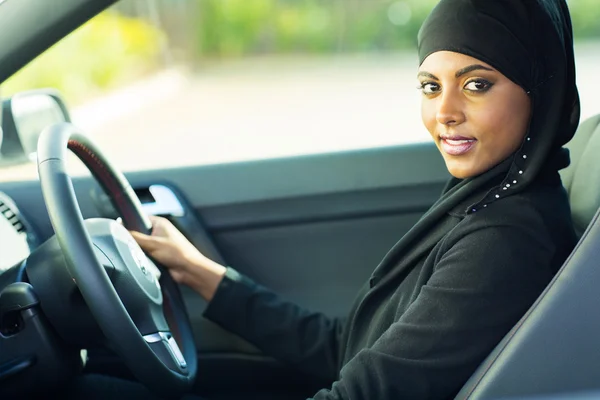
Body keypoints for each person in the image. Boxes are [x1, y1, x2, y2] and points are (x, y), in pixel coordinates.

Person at [64, 0, 581, 398]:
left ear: (540, 89)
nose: (444, 111)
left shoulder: (506, 237)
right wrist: (199, 271)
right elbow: (345, 348)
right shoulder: (485, 195)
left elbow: (366, 391)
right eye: (429, 86)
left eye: (476, 85)